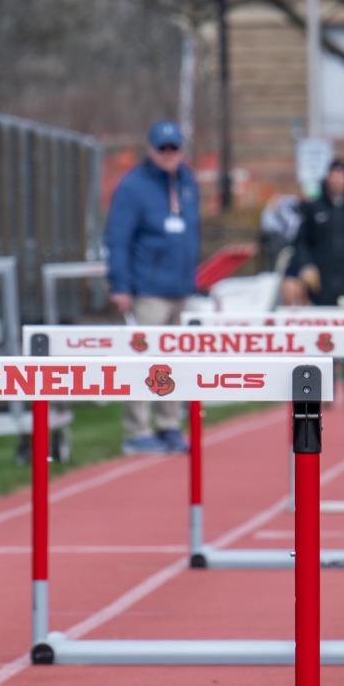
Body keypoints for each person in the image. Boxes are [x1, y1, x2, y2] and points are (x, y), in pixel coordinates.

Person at [104, 120, 201, 453]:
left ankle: (169, 424)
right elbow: (118, 238)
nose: (169, 154)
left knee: (173, 361)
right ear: (151, 150)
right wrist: (120, 284)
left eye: (175, 148)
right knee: (142, 360)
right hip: (148, 288)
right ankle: (136, 429)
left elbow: (191, 233)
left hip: (180, 287)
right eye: (163, 148)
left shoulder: (188, 182)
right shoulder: (133, 186)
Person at [284, 159, 344, 306]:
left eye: (341, 176)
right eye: (333, 176)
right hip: (321, 286)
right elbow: (301, 242)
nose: (337, 181)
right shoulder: (313, 208)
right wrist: (306, 265)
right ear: (327, 178)